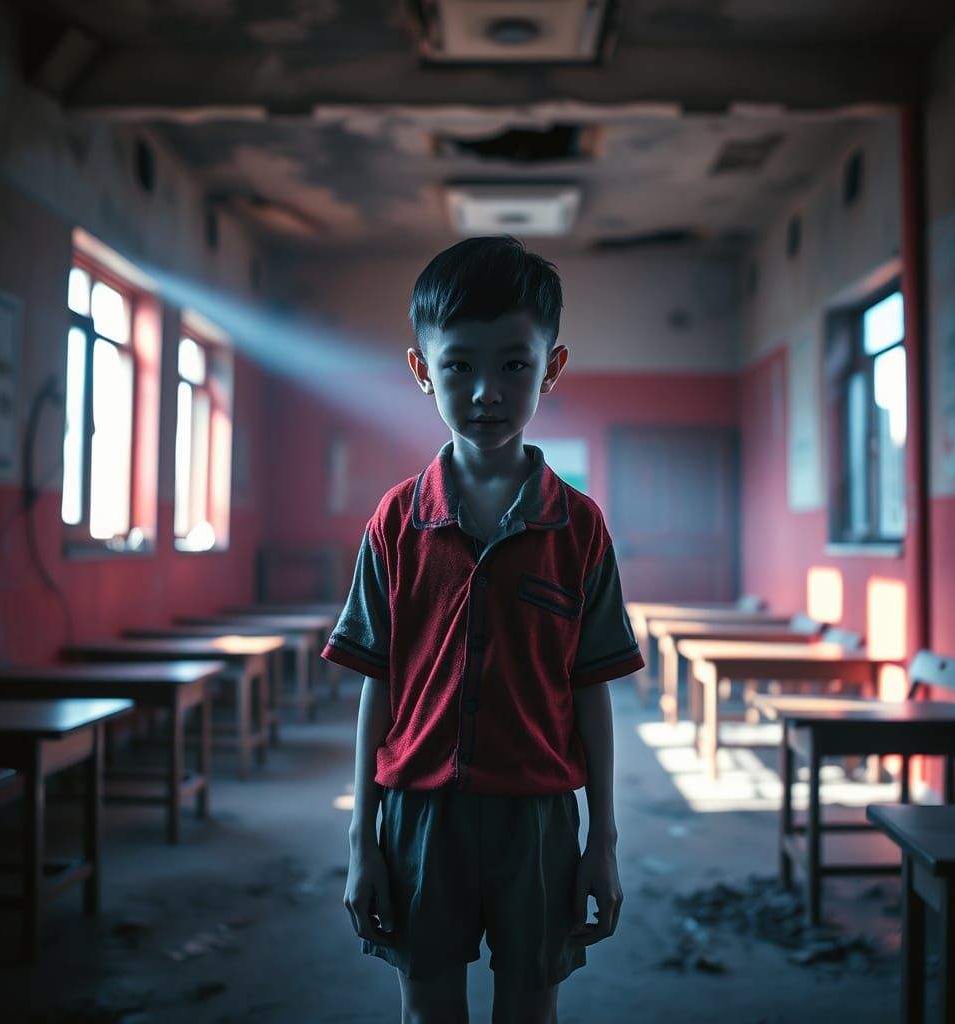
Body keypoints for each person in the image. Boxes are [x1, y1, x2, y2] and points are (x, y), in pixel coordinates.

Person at [322, 235, 645, 1024]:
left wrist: (601, 840)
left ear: (552, 369)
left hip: (535, 816)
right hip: (417, 813)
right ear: (421, 369)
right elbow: (380, 688)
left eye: (515, 366)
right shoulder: (397, 522)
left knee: (530, 1008)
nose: (487, 391)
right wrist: (364, 840)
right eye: (459, 365)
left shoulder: (579, 527)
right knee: (427, 1007)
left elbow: (591, 693)